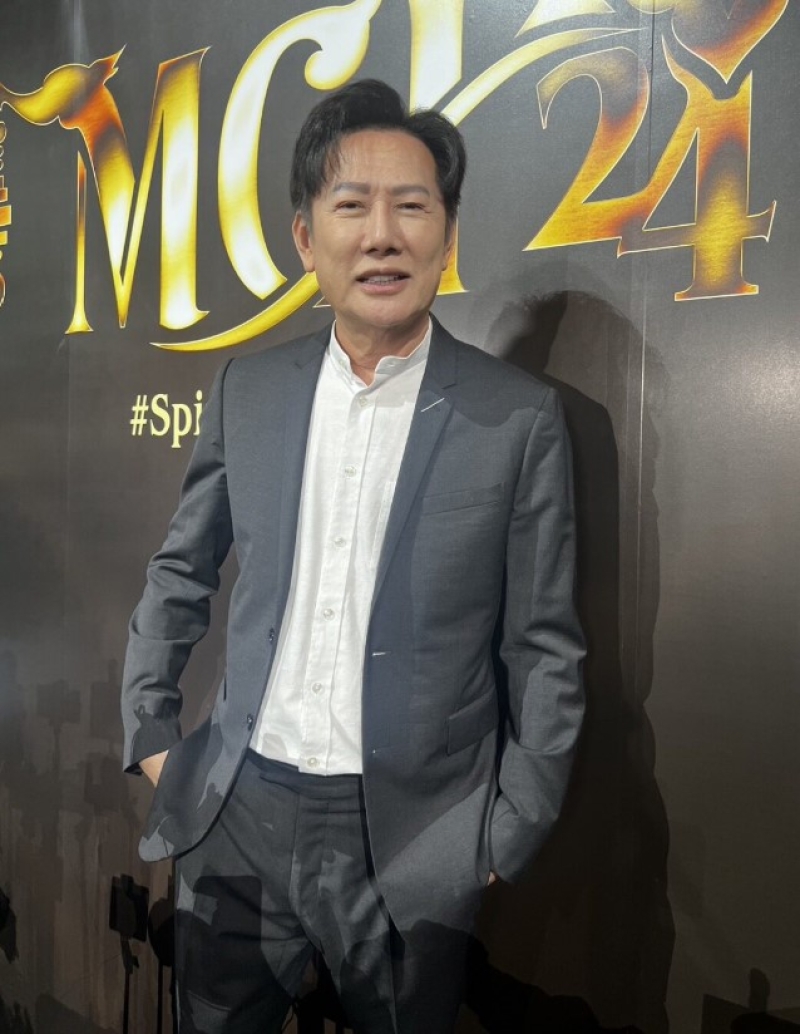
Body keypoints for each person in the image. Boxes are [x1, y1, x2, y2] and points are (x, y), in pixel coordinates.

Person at [121, 78, 585, 1034]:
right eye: (351, 206)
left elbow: (545, 647)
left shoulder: (519, 419)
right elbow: (180, 571)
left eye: (412, 206)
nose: (382, 235)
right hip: (238, 810)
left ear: (446, 236)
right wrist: (152, 731)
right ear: (306, 238)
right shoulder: (249, 389)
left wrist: (507, 833)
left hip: (414, 837)